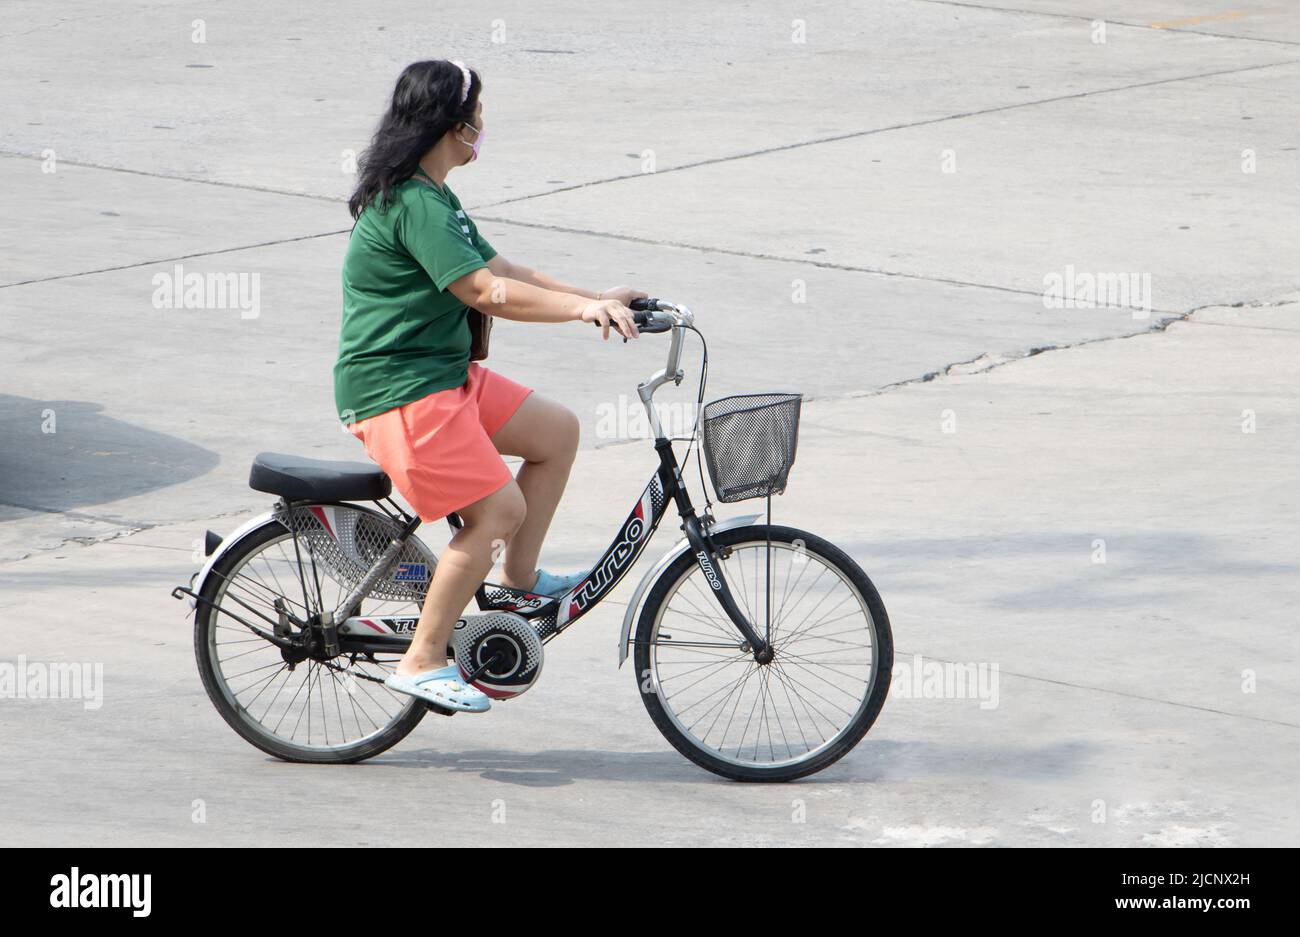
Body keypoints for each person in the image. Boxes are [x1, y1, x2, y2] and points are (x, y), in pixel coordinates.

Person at [336, 60, 646, 713]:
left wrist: (598, 296)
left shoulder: (434, 194)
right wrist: (580, 312)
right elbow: (484, 291)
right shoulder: (414, 203)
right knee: (498, 511)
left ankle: (517, 581)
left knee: (556, 432)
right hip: (400, 390)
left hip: (442, 375)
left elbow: (503, 268)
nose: (482, 125)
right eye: (477, 115)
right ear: (455, 127)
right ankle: (422, 659)